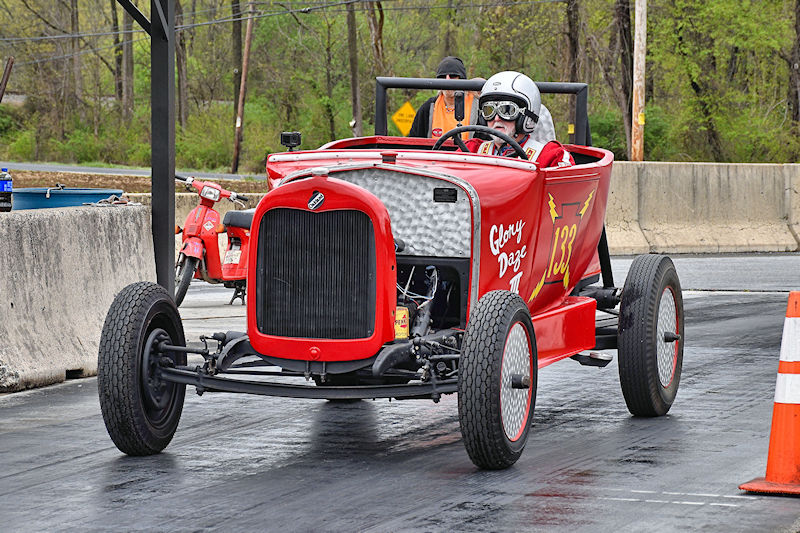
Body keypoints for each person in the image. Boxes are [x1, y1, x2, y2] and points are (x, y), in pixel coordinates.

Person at [465, 71, 573, 167]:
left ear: (525, 117)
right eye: (489, 111)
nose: (496, 118)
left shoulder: (550, 156)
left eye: (507, 110)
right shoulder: (472, 149)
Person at [408, 56, 480, 139]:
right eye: (442, 77)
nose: (447, 80)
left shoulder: (477, 107)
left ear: (462, 79)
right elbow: (414, 142)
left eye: (452, 76)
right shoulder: (428, 108)